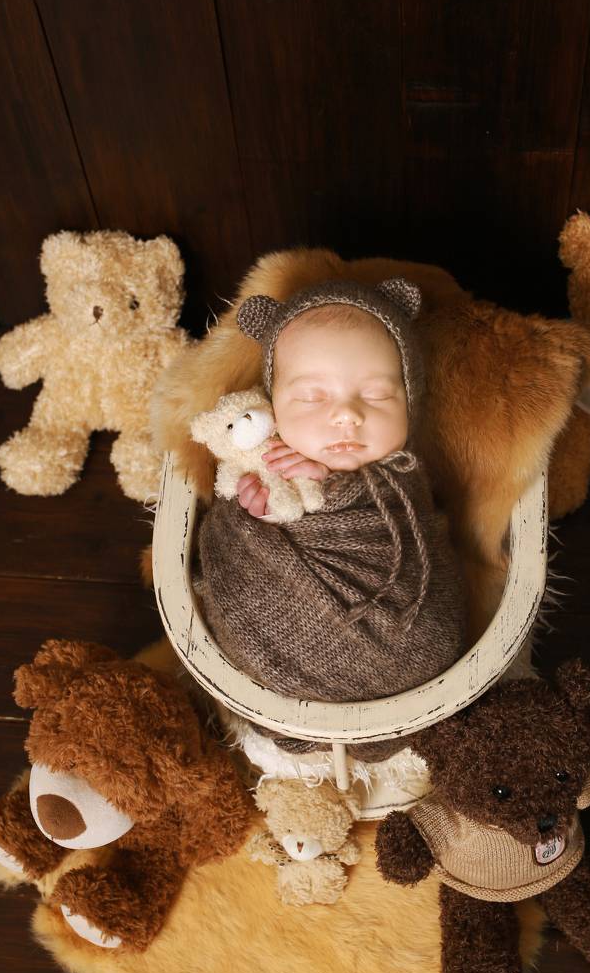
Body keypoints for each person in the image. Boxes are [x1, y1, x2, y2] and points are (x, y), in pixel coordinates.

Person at [192, 279, 467, 736]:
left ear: (410, 400)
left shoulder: (403, 477)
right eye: (312, 397)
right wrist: (261, 511)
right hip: (283, 649)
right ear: (273, 406)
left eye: (377, 395)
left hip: (413, 655)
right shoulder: (263, 463)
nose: (346, 415)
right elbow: (234, 546)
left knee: (430, 640)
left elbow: (415, 541)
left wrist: (333, 489)